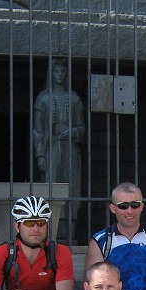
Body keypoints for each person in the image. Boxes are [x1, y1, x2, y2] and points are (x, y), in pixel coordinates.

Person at [33, 57, 85, 200]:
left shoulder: (74, 99)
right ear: (51, 73)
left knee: (72, 187)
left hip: (71, 149)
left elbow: (82, 128)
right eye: (56, 70)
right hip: (51, 147)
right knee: (51, 188)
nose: (59, 74)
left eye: (62, 70)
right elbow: (38, 131)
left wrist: (73, 132)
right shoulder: (42, 100)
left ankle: (71, 215)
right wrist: (40, 155)